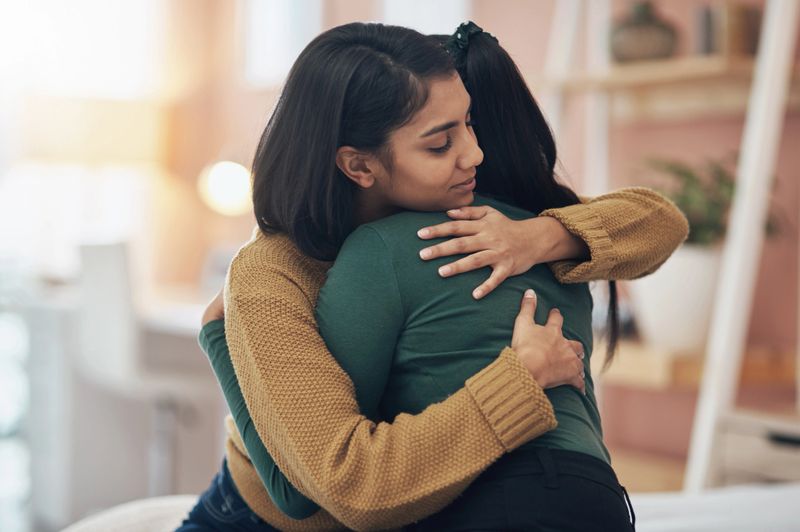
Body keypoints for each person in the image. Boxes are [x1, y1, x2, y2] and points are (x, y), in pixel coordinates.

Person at [179, 22, 686, 531]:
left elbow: (660, 221)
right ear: (359, 166)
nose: (474, 154)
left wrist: (539, 236)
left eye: (470, 124)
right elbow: (328, 492)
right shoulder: (271, 275)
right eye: (441, 144)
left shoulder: (471, 219)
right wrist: (519, 379)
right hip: (260, 517)